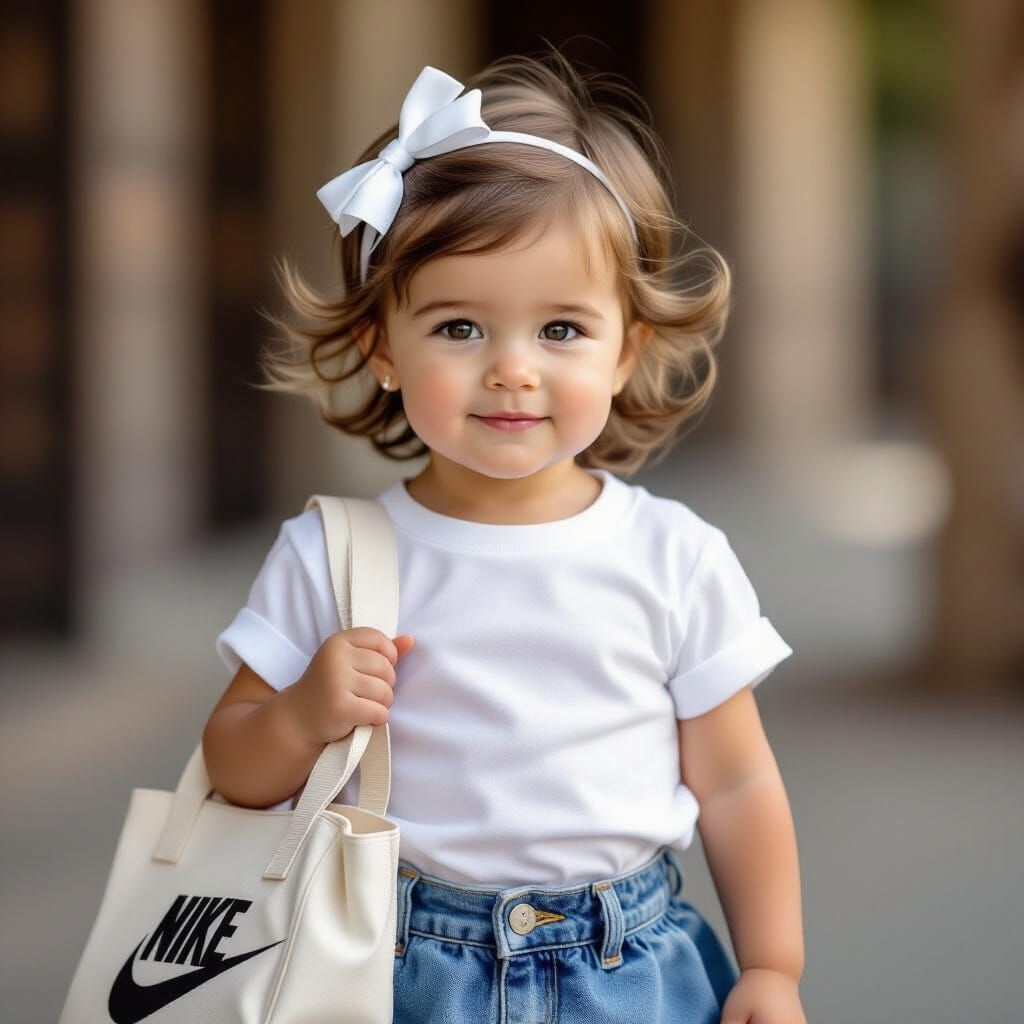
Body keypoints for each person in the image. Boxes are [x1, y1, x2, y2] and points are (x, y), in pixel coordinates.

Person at [202, 51, 807, 1024]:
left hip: (632, 967)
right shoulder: (335, 556)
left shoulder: (674, 557)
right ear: (380, 348)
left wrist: (771, 965)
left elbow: (736, 780)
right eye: (459, 327)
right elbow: (231, 763)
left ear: (627, 348)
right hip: (394, 966)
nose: (513, 369)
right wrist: (299, 714)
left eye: (561, 329)